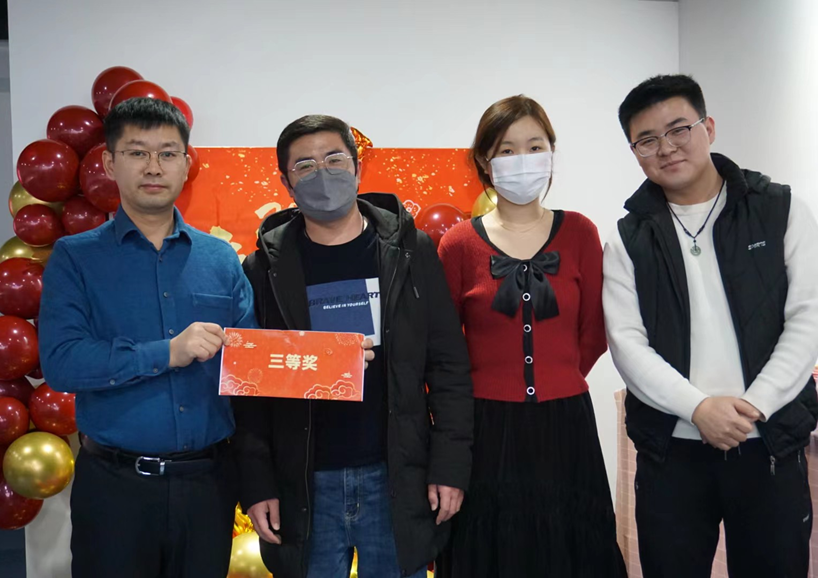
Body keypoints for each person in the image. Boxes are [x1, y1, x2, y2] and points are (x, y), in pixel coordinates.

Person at [235, 114, 474, 578]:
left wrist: (449, 465)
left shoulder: (411, 252)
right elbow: (250, 389)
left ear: (358, 168)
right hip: (304, 483)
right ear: (285, 182)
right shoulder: (263, 269)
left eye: (334, 159)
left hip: (396, 475)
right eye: (305, 166)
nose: (322, 174)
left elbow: (448, 367)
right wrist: (258, 481)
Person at [603, 74, 818, 578]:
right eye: (647, 139)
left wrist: (755, 405)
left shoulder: (779, 209)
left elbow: (807, 318)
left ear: (709, 127)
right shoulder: (627, 238)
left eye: (679, 129)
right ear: (634, 151)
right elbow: (627, 345)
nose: (666, 148)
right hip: (670, 453)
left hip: (769, 443)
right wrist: (698, 408)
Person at [39, 97, 257, 578]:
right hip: (115, 488)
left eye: (168, 153)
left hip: (208, 485)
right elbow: (62, 362)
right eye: (137, 152)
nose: (154, 167)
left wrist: (337, 361)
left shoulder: (220, 258)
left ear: (185, 164)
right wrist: (167, 353)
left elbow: (253, 362)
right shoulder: (76, 258)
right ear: (110, 163)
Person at [437, 95, 626, 577]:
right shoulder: (458, 244)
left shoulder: (580, 232)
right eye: (507, 150)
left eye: (535, 146)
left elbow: (595, 331)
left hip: (565, 425)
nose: (522, 159)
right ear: (485, 161)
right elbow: (443, 347)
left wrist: (557, 375)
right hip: (485, 428)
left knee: (568, 547)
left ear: (551, 153)